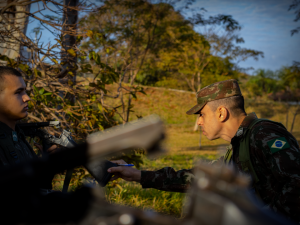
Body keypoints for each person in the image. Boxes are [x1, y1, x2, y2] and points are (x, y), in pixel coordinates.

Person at [107, 79, 300, 223]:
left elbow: (296, 183)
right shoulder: (237, 146)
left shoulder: (263, 133)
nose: (199, 121)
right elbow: (195, 179)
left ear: (221, 113)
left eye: (201, 114)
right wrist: (137, 175)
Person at [0, 66, 56, 189]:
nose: (27, 98)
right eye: (18, 92)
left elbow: (36, 189)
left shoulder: (18, 136)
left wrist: (47, 165)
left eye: (25, 91)